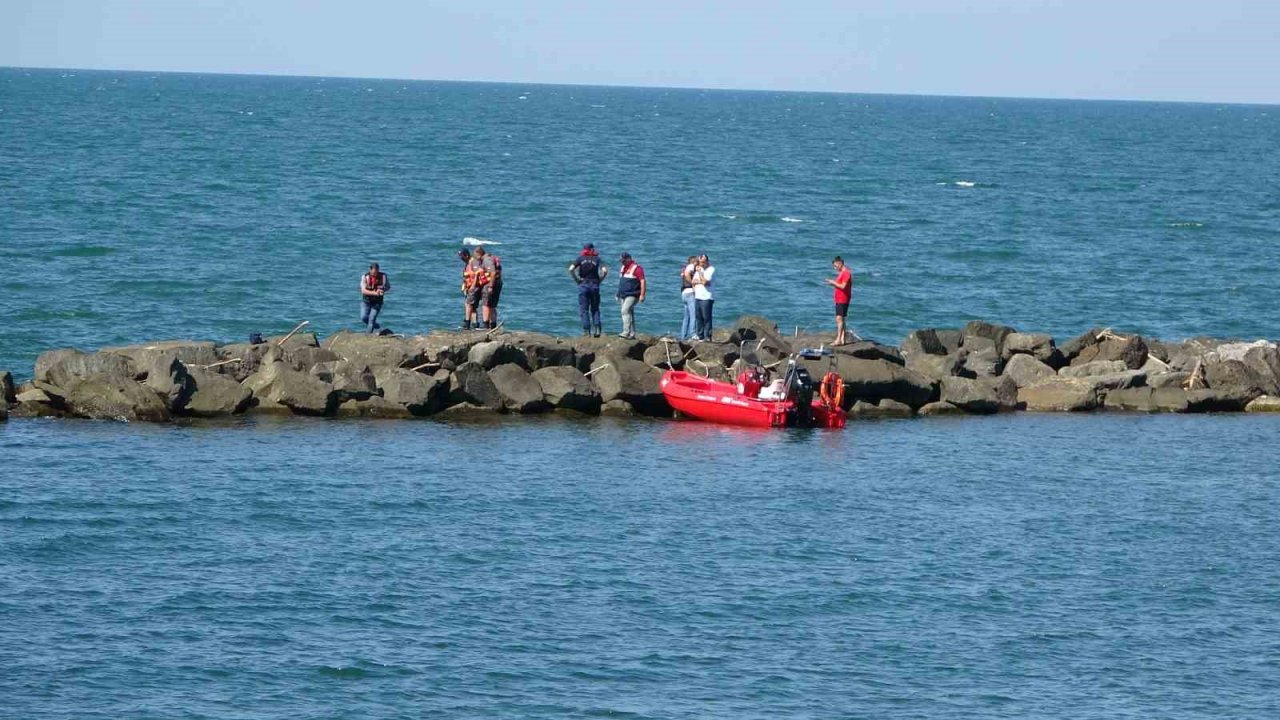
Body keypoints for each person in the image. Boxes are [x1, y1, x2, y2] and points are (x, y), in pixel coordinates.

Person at [569, 243, 608, 336]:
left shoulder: (580, 258)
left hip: (583, 285)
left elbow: (571, 269)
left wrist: (576, 279)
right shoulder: (597, 259)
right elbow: (605, 270)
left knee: (584, 309)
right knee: (595, 308)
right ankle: (597, 330)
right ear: (592, 249)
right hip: (594, 285)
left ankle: (587, 331)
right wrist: (600, 280)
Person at [615, 252, 646, 339]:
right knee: (629, 313)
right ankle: (632, 333)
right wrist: (618, 293)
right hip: (623, 294)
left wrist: (642, 294)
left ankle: (626, 332)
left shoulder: (637, 268)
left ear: (629, 259)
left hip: (633, 294)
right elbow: (621, 282)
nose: (622, 262)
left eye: (624, 260)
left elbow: (643, 281)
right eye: (621, 261)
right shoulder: (623, 268)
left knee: (625, 311)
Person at [824, 255, 853, 345]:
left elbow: (843, 286)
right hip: (839, 298)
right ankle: (842, 338)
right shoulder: (842, 273)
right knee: (841, 318)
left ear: (840, 263)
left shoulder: (846, 273)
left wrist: (833, 283)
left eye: (835, 266)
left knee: (839, 318)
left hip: (843, 299)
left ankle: (838, 339)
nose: (835, 268)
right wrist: (833, 283)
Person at [474, 246, 502, 330]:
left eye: (475, 256)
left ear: (479, 254)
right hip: (497, 282)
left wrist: (490, 286)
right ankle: (493, 325)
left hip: (490, 284)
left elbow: (493, 273)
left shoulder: (486, 260)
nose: (475, 258)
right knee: (492, 305)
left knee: (485, 304)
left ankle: (486, 325)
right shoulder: (490, 258)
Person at [359, 262, 390, 333]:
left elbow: (388, 286)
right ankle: (379, 328)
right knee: (363, 318)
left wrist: (383, 290)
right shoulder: (365, 277)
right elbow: (363, 291)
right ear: (370, 270)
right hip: (366, 301)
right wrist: (374, 293)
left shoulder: (383, 276)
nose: (375, 274)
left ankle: (368, 335)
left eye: (376, 272)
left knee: (371, 319)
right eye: (373, 273)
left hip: (377, 302)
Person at [691, 254, 715, 340]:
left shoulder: (711, 269)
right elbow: (693, 281)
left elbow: (705, 282)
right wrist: (699, 281)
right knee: (698, 317)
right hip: (698, 296)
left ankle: (708, 336)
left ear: (707, 262)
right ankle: (700, 336)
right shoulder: (698, 270)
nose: (701, 264)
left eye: (703, 262)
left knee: (706, 318)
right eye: (700, 262)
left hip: (707, 297)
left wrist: (700, 274)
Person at [458, 249, 479, 330]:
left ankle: (467, 324)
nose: (461, 259)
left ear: (466, 255)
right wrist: (465, 286)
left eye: (462, 257)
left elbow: (477, 274)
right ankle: (475, 324)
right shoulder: (467, 263)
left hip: (473, 287)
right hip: (469, 287)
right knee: (473, 306)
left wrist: (473, 286)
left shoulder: (473, 262)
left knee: (468, 304)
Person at [679, 255, 697, 340]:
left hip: (684, 293)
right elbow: (687, 274)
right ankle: (693, 334)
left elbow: (684, 274)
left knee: (686, 316)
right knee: (693, 315)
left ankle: (683, 336)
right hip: (690, 293)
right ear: (694, 262)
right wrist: (693, 283)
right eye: (697, 262)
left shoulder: (684, 268)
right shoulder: (691, 267)